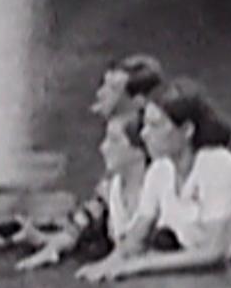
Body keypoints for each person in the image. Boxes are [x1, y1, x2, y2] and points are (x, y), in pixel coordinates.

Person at [78, 78, 231, 283]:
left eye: (156, 125)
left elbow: (215, 251)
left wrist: (142, 266)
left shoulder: (217, 164)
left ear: (187, 130)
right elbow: (135, 239)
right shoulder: (159, 171)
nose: (144, 134)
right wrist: (106, 266)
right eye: (146, 124)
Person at [14, 53, 166, 255]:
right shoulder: (116, 160)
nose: (100, 93)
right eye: (104, 85)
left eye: (112, 89)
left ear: (138, 102)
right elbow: (96, 206)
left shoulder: (156, 160)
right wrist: (53, 239)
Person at [18, 113, 168, 271]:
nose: (103, 147)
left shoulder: (158, 186)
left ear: (138, 150)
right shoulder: (109, 188)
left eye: (114, 140)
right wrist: (49, 244)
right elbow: (79, 224)